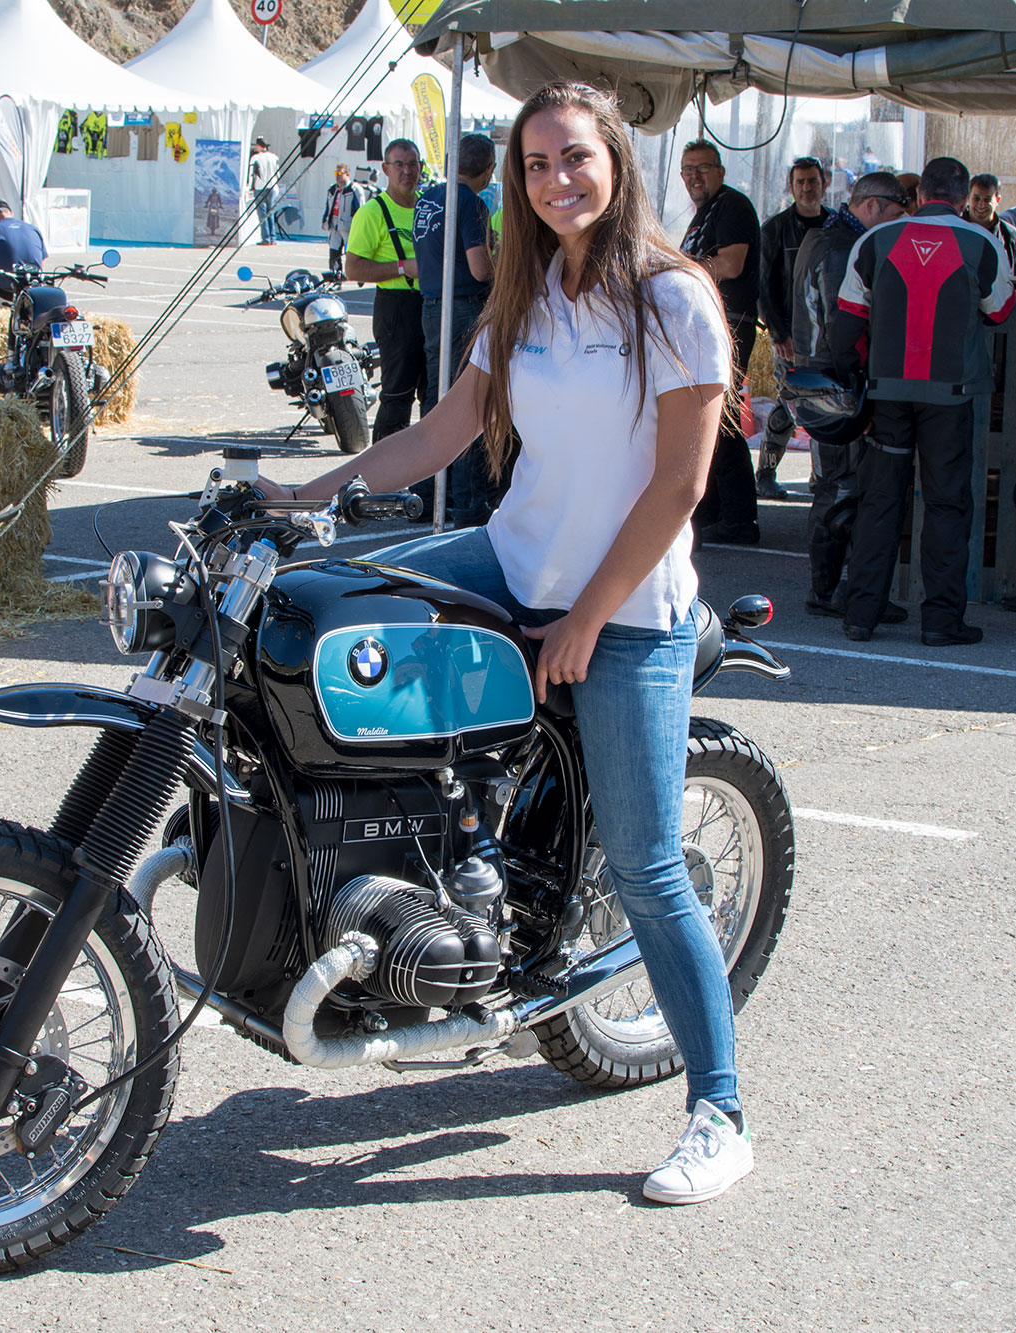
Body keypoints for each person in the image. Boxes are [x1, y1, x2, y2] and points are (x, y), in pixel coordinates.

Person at [256, 79, 754, 1206]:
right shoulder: (527, 295)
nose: (555, 179)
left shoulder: (672, 299)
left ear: (616, 161)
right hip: (513, 555)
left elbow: (679, 484)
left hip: (628, 608)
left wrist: (585, 618)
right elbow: (442, 430)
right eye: (535, 164)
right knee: (328, 604)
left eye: (574, 157)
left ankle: (718, 1108)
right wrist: (311, 494)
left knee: (646, 865)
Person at [832, 156, 1015, 646]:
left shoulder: (875, 241)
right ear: (961, 197)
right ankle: (941, 621)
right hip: (951, 398)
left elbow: (845, 324)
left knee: (879, 502)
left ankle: (861, 615)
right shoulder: (984, 243)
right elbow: (1000, 313)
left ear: (918, 195)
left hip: (887, 394)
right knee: (947, 505)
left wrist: (854, 388)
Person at [789, 171, 910, 622]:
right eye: (897, 214)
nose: (900, 224)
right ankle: (827, 590)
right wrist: (858, 388)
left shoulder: (824, 238)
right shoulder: (843, 247)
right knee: (840, 488)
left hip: (820, 377)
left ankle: (838, 588)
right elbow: (845, 326)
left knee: (836, 487)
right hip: (834, 382)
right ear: (874, 206)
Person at [677, 138, 761, 545]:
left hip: (730, 323)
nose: (694, 176)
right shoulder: (704, 215)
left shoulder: (732, 206)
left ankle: (740, 518)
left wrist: (681, 269)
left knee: (721, 418)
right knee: (702, 418)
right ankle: (714, 510)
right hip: (706, 325)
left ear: (720, 171)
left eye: (702, 168)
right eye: (688, 170)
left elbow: (731, 262)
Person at [413, 132, 497, 526]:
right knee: (467, 405)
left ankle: (426, 494)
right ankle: (466, 504)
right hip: (463, 306)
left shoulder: (428, 198)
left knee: (436, 400)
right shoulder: (472, 203)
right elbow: (480, 267)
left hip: (431, 305)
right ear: (488, 170)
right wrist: (507, 270)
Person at [755, 155, 830, 502]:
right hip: (789, 338)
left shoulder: (834, 227)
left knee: (827, 405)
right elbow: (763, 287)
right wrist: (778, 332)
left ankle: (821, 476)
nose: (806, 188)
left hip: (827, 338)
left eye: (812, 181)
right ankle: (766, 471)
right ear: (791, 186)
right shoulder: (774, 229)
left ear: (823, 184)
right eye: (800, 182)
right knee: (790, 405)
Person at [344, 138, 427, 441]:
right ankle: (382, 477)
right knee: (397, 395)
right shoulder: (373, 212)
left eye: (413, 164)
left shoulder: (428, 207)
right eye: (400, 165)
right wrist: (403, 267)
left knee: (433, 394)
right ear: (386, 169)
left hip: (430, 305)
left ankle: (429, 475)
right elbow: (353, 269)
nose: (407, 171)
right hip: (396, 308)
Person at [965, 172, 1016, 273]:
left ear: (997, 200)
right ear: (968, 197)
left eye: (987, 200)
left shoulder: (1011, 236)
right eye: (976, 198)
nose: (981, 204)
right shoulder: (954, 230)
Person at [321, 162, 363, 271]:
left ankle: (359, 273)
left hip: (348, 225)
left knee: (352, 252)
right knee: (334, 252)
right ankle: (335, 276)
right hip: (334, 225)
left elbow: (361, 210)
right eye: (336, 172)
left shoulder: (355, 189)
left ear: (347, 174)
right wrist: (325, 220)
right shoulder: (332, 189)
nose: (338, 175)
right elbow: (328, 206)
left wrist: (358, 225)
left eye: (340, 173)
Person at [248, 136, 281, 245]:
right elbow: (278, 173)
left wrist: (249, 186)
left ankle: (266, 238)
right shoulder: (274, 157)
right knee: (270, 212)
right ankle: (273, 238)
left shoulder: (255, 158)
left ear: (258, 146)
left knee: (262, 213)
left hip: (260, 187)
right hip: (272, 187)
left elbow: (252, 174)